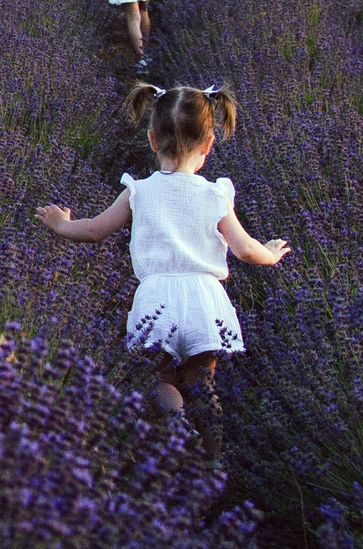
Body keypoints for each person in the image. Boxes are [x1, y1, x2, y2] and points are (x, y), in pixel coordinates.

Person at [31, 83, 290, 460]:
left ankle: (176, 425)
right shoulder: (216, 194)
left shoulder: (139, 192)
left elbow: (93, 231)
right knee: (203, 382)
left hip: (157, 301)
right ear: (208, 143)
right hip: (205, 302)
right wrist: (270, 254)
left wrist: (60, 224)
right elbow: (244, 249)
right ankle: (213, 460)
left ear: (152, 140)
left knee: (161, 377)